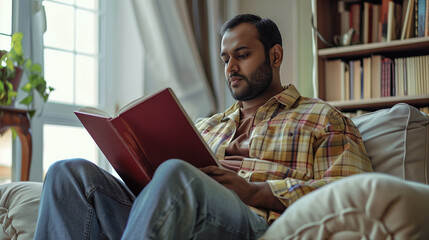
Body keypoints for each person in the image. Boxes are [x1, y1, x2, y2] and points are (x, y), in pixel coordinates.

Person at [34, 14, 373, 240]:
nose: (231, 68)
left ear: (276, 56)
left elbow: (355, 197)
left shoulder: (323, 118)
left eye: (242, 54)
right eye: (226, 59)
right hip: (170, 214)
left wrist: (255, 191)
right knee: (68, 174)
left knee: (177, 175)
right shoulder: (207, 125)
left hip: (255, 223)